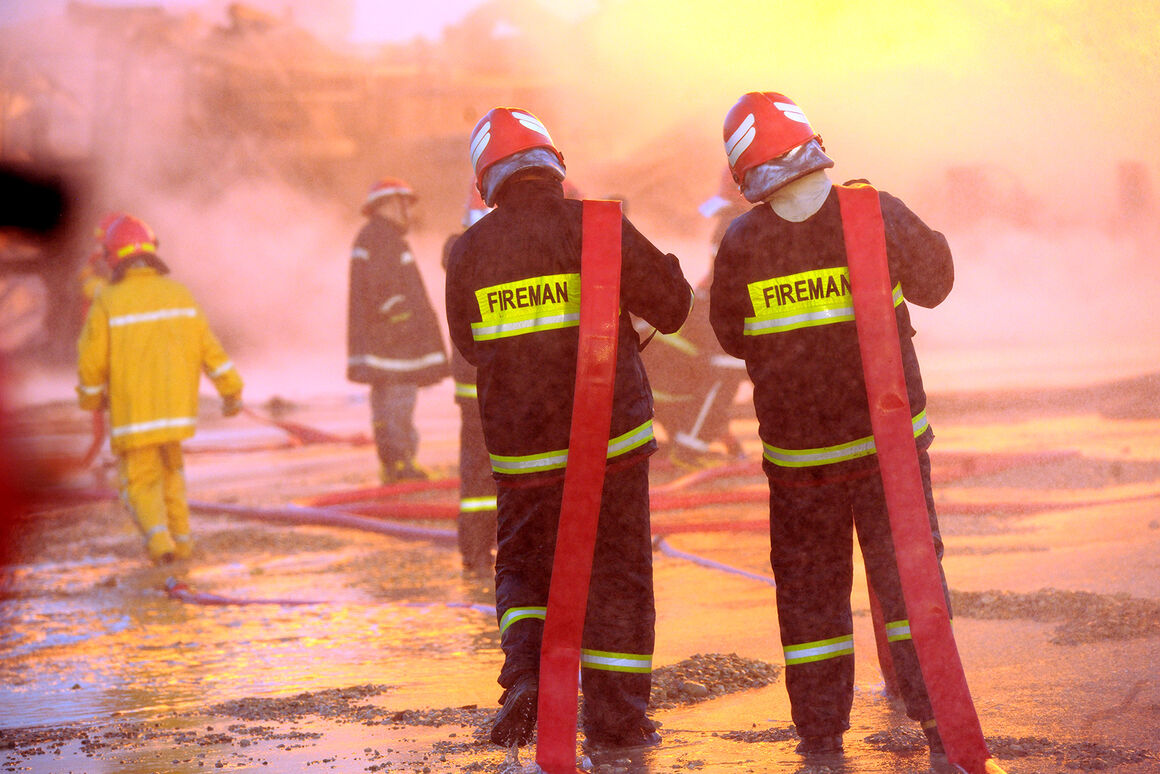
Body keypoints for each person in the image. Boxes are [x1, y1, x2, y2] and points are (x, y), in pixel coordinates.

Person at [708, 92, 956, 764]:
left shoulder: (741, 243)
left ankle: (820, 739)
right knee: (911, 586)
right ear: (811, 144)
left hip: (800, 464)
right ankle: (940, 725)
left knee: (811, 602)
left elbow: (730, 336)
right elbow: (936, 283)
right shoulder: (875, 212)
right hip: (891, 452)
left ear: (743, 172)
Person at [445, 107, 693, 752]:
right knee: (618, 576)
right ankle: (617, 722)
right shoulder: (599, 226)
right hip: (609, 441)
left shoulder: (468, 252)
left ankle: (526, 676)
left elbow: (469, 346)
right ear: (553, 165)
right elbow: (672, 307)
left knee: (525, 568)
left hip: (524, 452)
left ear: (487, 179)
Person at [76, 214, 244, 563]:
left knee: (138, 483)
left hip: (135, 415)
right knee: (172, 476)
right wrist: (231, 390)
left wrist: (91, 399)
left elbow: (91, 361)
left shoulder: (109, 300)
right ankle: (182, 542)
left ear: (113, 258)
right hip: (175, 415)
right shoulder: (179, 294)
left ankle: (161, 547)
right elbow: (210, 349)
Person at [347, 177, 449, 483]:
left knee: (387, 403)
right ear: (391, 202)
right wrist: (406, 325)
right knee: (398, 402)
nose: (408, 210)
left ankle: (394, 464)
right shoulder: (382, 237)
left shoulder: (375, 236)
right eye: (405, 203)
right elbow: (386, 292)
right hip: (395, 345)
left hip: (387, 343)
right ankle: (401, 464)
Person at [441, 185, 497, 575]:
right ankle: (480, 549)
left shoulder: (460, 252)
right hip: (490, 381)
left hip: (478, 380)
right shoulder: (486, 253)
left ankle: (479, 549)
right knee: (490, 468)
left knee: (481, 467)